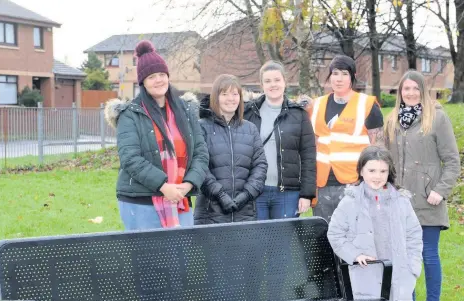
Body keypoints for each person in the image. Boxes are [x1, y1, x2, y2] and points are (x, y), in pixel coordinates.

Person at [327, 145, 423, 301]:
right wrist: (354, 254)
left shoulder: (401, 201)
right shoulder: (351, 202)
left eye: (382, 170)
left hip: (397, 274)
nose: (377, 176)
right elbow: (335, 234)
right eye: (371, 170)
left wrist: (413, 266)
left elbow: (414, 234)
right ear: (361, 170)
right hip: (368, 275)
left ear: (389, 172)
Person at [105, 40, 209, 230]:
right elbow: (130, 158)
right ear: (143, 82)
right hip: (141, 201)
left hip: (180, 198)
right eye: (152, 76)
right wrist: (163, 186)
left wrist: (188, 184)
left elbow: (201, 152)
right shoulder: (130, 114)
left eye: (162, 74)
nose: (159, 80)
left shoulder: (185, 111)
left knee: (180, 258)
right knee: (148, 259)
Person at [384, 70, 460, 301]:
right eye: (406, 89)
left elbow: (452, 161)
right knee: (404, 256)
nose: (411, 93)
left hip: (428, 200)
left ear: (423, 91)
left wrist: (440, 190)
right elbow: (384, 159)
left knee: (428, 254)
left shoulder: (437, 118)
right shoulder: (392, 120)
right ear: (400, 92)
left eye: (416, 88)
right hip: (400, 201)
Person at [310, 55, 384, 222]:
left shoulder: (366, 105)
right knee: (325, 241)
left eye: (344, 73)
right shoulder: (317, 105)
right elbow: (311, 147)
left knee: (353, 240)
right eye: (335, 73)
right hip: (322, 185)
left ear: (353, 76)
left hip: (355, 184)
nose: (339, 79)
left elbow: (379, 150)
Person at [243, 60, 316, 220]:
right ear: (261, 85)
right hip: (255, 191)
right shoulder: (248, 112)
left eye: (277, 80)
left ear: (285, 82)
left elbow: (309, 156)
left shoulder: (299, 114)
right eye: (267, 81)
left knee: (283, 243)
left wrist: (306, 194)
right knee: (256, 242)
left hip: (287, 193)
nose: (273, 85)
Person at [194, 74, 267, 224]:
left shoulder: (250, 129)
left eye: (235, 94)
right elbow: (199, 166)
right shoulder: (201, 127)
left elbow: (260, 165)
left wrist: (246, 195)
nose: (231, 99)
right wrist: (220, 195)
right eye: (225, 94)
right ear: (216, 97)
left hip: (245, 212)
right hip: (211, 213)